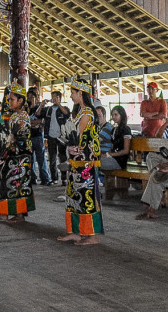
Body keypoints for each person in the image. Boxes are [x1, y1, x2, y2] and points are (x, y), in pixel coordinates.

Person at [59, 78, 104, 245]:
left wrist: (71, 148)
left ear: (80, 93)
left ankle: (91, 235)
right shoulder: (81, 113)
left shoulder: (87, 114)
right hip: (78, 162)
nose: (71, 95)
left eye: (72, 92)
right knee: (73, 195)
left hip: (85, 163)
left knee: (86, 197)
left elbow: (78, 139)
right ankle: (77, 231)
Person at [0, 83, 35, 222]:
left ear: (20, 101)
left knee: (19, 184)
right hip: (14, 154)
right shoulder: (14, 116)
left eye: (12, 99)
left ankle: (19, 214)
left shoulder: (23, 117)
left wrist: (12, 141)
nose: (9, 101)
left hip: (21, 155)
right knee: (7, 181)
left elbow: (21, 137)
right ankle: (4, 212)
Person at [27, 87, 51, 185]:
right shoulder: (26, 109)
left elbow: (41, 121)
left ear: (35, 97)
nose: (30, 99)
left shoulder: (40, 108)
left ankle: (45, 178)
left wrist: (33, 122)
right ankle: (33, 178)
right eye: (28, 97)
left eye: (31, 97)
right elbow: (26, 122)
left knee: (41, 158)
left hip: (38, 136)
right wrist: (33, 122)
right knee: (30, 159)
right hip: (29, 136)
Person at [44, 90, 68, 185]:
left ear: (59, 98)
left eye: (55, 97)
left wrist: (59, 104)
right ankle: (54, 178)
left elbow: (66, 113)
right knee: (52, 158)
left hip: (61, 136)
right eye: (52, 97)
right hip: (51, 136)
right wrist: (42, 104)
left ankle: (64, 178)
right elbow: (37, 114)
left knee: (62, 157)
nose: (53, 99)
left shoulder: (64, 108)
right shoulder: (48, 109)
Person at [100, 105, 133, 171]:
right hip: (112, 158)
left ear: (121, 115)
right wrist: (106, 154)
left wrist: (110, 154)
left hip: (120, 161)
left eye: (116, 115)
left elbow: (126, 151)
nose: (113, 117)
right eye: (112, 115)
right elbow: (112, 147)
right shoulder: (114, 129)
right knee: (95, 160)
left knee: (96, 163)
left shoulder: (126, 129)